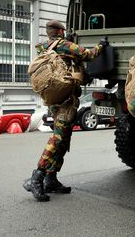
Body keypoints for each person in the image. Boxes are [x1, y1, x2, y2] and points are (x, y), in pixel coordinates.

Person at [23, 20, 108, 202]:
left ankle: (51, 178)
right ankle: (37, 177)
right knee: (59, 138)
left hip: (54, 100)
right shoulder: (64, 45)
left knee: (63, 138)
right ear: (61, 31)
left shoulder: (44, 47)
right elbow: (88, 54)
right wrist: (101, 45)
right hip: (66, 101)